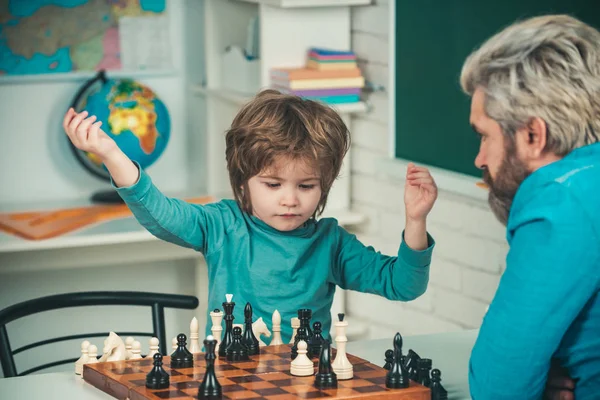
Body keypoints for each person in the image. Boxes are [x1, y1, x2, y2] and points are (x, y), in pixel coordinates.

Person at [62, 89, 438, 340]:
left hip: (305, 380)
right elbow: (161, 215)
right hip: (230, 373)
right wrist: (112, 154)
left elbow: (403, 284)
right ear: (243, 182)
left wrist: (416, 221)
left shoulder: (331, 243)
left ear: (325, 183)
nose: (290, 200)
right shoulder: (223, 225)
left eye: (306, 186)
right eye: (273, 185)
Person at [460, 15, 600, 399]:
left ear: (533, 135)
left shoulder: (564, 198)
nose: (480, 158)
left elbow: (497, 386)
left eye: (484, 136)